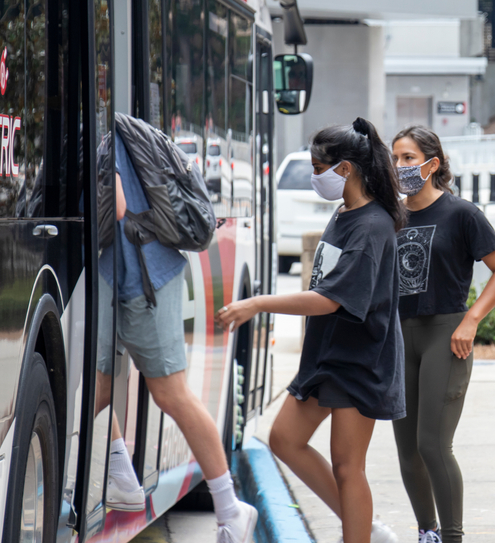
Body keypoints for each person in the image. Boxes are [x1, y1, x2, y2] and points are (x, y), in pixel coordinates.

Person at [216, 118, 405, 543]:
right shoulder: (346, 214)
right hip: (329, 355)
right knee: (284, 438)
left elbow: (329, 299)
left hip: (361, 360)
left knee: (346, 465)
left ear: (347, 170)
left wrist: (258, 303)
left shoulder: (372, 226)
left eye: (320, 168)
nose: (315, 176)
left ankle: (359, 533)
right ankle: (364, 526)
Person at [96, 125, 257, 543]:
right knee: (94, 386)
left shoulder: (101, 128)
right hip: (119, 275)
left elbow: (115, 205)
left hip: (142, 276)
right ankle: (124, 482)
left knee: (170, 393)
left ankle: (229, 507)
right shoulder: (102, 125)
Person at [390, 126, 495, 543]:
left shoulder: (461, 214)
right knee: (407, 450)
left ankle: (452, 538)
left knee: (432, 445)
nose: (400, 166)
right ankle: (426, 532)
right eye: (395, 158)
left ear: (432, 164)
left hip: (445, 334)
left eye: (408, 158)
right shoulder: (391, 217)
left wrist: (471, 319)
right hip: (399, 338)